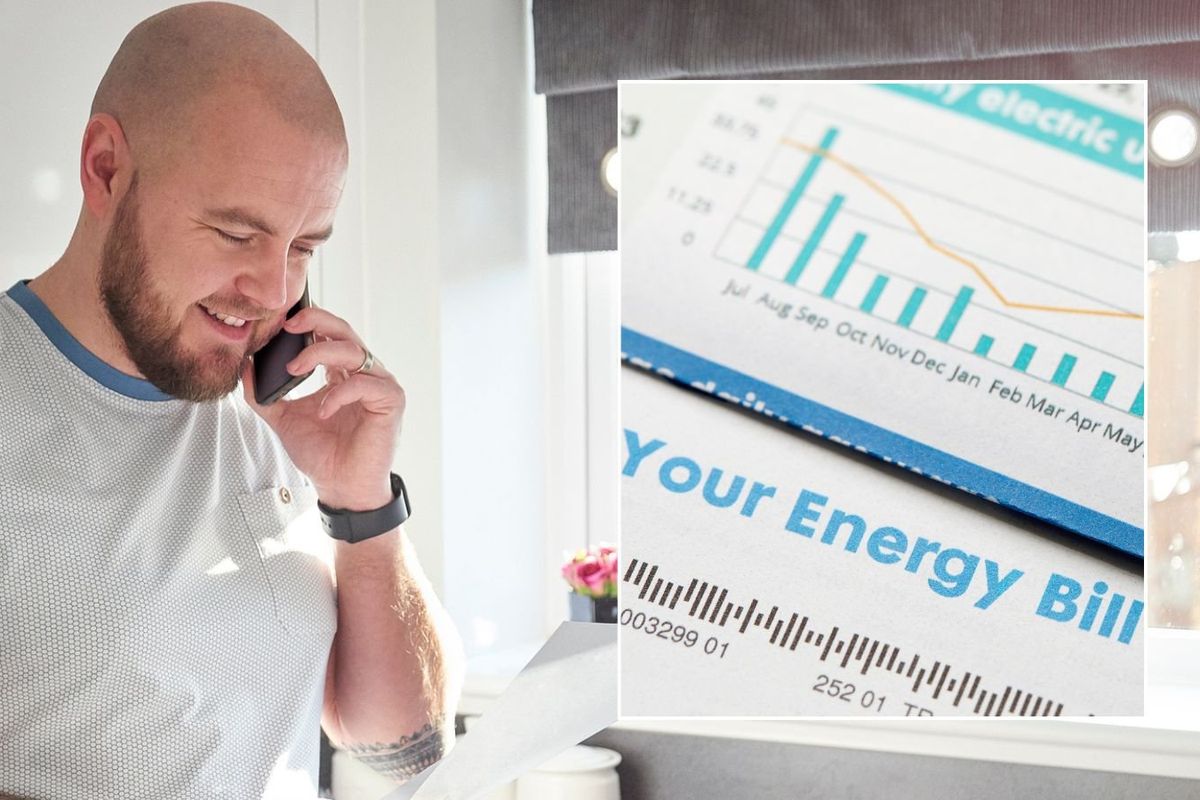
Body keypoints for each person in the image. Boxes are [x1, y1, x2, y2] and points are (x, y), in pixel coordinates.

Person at [0, 3, 462, 797]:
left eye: (304, 246)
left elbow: (403, 752)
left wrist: (359, 506)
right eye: (236, 234)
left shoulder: (269, 419)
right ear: (106, 167)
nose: (275, 291)